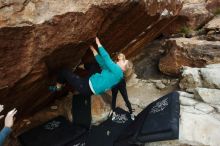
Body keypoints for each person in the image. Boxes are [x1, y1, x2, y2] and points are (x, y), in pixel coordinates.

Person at [49, 37, 127, 97]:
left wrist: (98, 43)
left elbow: (107, 58)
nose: (122, 60)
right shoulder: (115, 73)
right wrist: (93, 49)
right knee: (95, 65)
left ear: (124, 69)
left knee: (63, 72)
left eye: (123, 61)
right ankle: (81, 66)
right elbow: (102, 63)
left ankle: (58, 86)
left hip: (86, 87)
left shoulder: (119, 73)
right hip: (93, 80)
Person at [111, 53, 135, 120]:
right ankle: (113, 112)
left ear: (123, 56)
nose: (120, 56)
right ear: (117, 57)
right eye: (119, 55)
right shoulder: (115, 63)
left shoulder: (126, 62)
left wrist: (129, 69)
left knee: (126, 98)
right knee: (114, 98)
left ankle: (131, 113)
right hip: (114, 82)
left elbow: (129, 67)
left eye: (121, 55)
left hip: (121, 82)